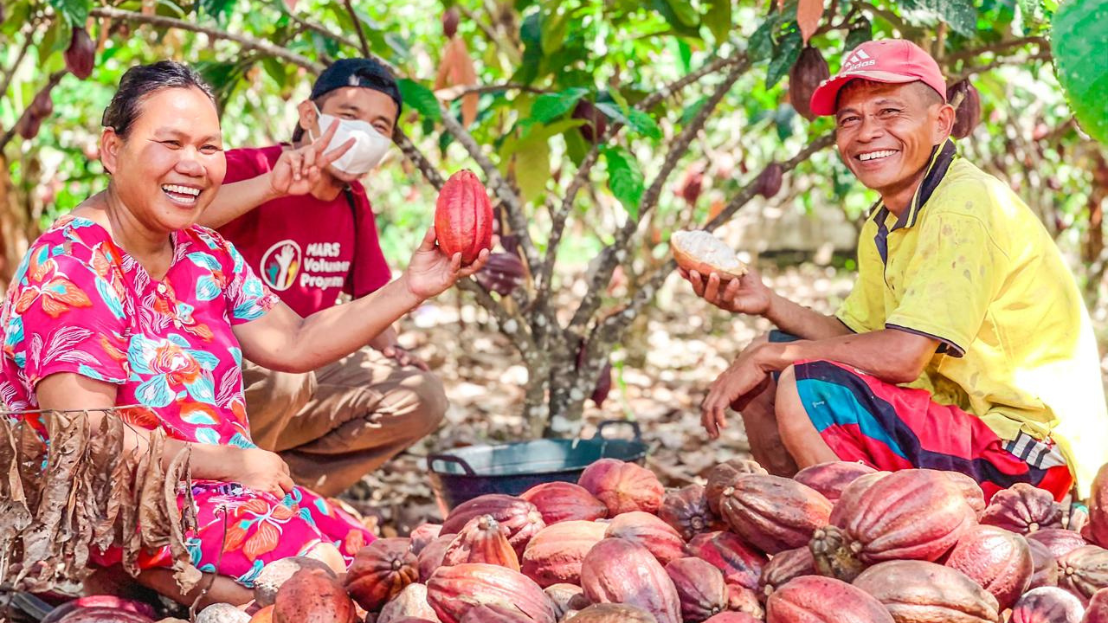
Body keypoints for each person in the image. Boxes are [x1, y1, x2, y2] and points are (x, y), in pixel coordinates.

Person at [0, 61, 488, 605]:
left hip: (215, 486)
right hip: (119, 501)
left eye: (209, 148)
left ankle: (187, 588)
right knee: (318, 579)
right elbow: (85, 438)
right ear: (112, 150)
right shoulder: (72, 264)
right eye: (171, 142)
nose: (193, 164)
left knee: (371, 559)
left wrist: (414, 286)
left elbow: (296, 341)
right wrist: (231, 462)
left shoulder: (203, 250)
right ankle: (134, 583)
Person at [681, 39, 1108, 502]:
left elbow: (902, 358)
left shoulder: (963, 206)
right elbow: (851, 335)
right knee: (773, 357)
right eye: (850, 119)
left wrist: (774, 359)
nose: (866, 133)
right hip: (965, 425)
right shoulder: (886, 221)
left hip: (1032, 456)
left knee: (809, 386)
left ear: (941, 122)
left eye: (889, 112)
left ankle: (861, 536)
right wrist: (766, 304)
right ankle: (799, 523)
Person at [196, 58, 446, 497]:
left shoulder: (352, 201)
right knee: (282, 375)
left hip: (305, 359)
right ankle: (226, 488)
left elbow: (371, 292)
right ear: (308, 115)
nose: (365, 133)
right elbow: (179, 217)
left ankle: (290, 491)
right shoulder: (249, 167)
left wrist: (393, 349)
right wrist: (268, 188)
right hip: (220, 365)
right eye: (349, 116)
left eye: (381, 126)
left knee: (421, 396)